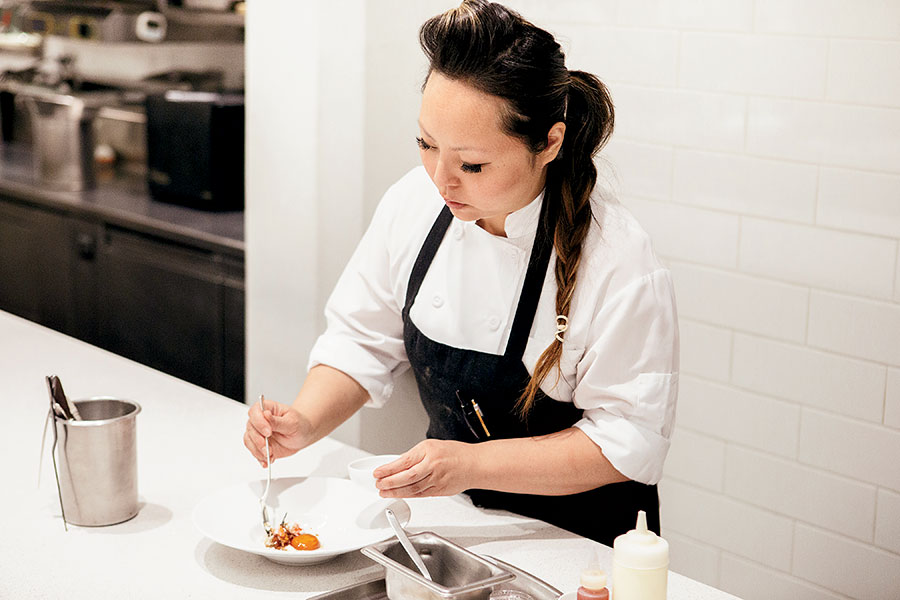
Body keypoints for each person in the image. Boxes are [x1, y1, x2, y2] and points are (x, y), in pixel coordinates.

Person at [244, 0, 678, 546]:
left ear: (549, 142)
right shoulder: (413, 204)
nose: (441, 180)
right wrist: (304, 421)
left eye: (472, 164)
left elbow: (626, 441)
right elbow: (360, 339)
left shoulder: (619, 262)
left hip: (580, 551)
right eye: (426, 144)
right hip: (450, 534)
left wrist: (468, 466)